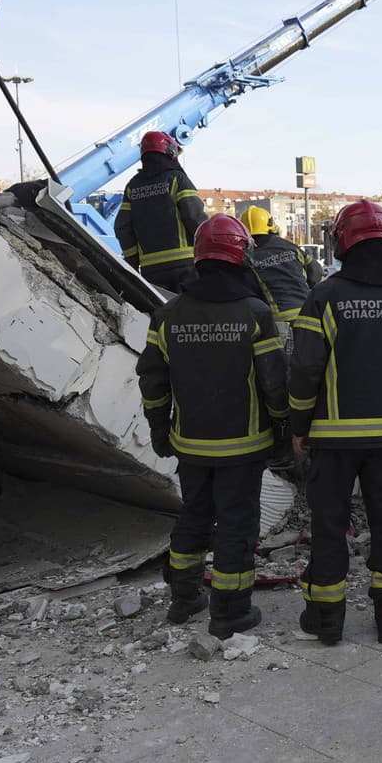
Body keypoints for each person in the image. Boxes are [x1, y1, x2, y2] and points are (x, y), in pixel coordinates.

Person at [289, 200, 382, 646]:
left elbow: (304, 371)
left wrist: (299, 424)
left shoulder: (323, 298)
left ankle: (326, 620)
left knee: (330, 527)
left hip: (332, 442)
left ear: (342, 243)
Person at [137, 214, 290, 638]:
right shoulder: (256, 313)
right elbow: (274, 383)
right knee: (237, 525)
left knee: (194, 518)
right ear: (242, 257)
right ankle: (231, 611)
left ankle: (184, 599)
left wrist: (158, 429)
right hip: (244, 446)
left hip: (190, 444)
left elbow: (152, 379)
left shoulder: (167, 315)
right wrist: (282, 427)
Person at [114, 130, 207, 292]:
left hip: (151, 270)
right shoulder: (177, 179)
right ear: (170, 151)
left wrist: (132, 263)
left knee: (164, 311)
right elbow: (195, 218)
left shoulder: (133, 186)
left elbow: (123, 228)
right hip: (185, 266)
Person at [239, 206, 323, 352]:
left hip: (278, 324)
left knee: (283, 370)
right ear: (271, 226)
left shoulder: (248, 257)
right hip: (309, 316)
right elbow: (316, 272)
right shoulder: (289, 246)